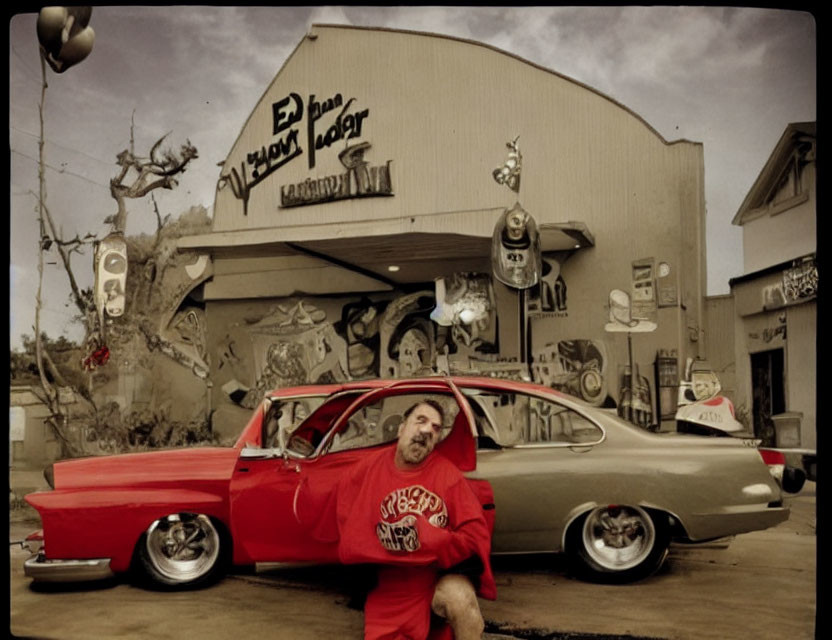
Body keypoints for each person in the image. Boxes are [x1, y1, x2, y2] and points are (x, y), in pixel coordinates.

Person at [295, 399, 496, 640]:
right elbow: (336, 505)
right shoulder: (368, 469)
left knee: (462, 601)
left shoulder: (447, 476)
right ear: (401, 428)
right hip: (387, 583)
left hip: (431, 575)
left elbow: (475, 537)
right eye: (420, 421)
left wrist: (434, 539)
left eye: (435, 428)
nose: (426, 431)